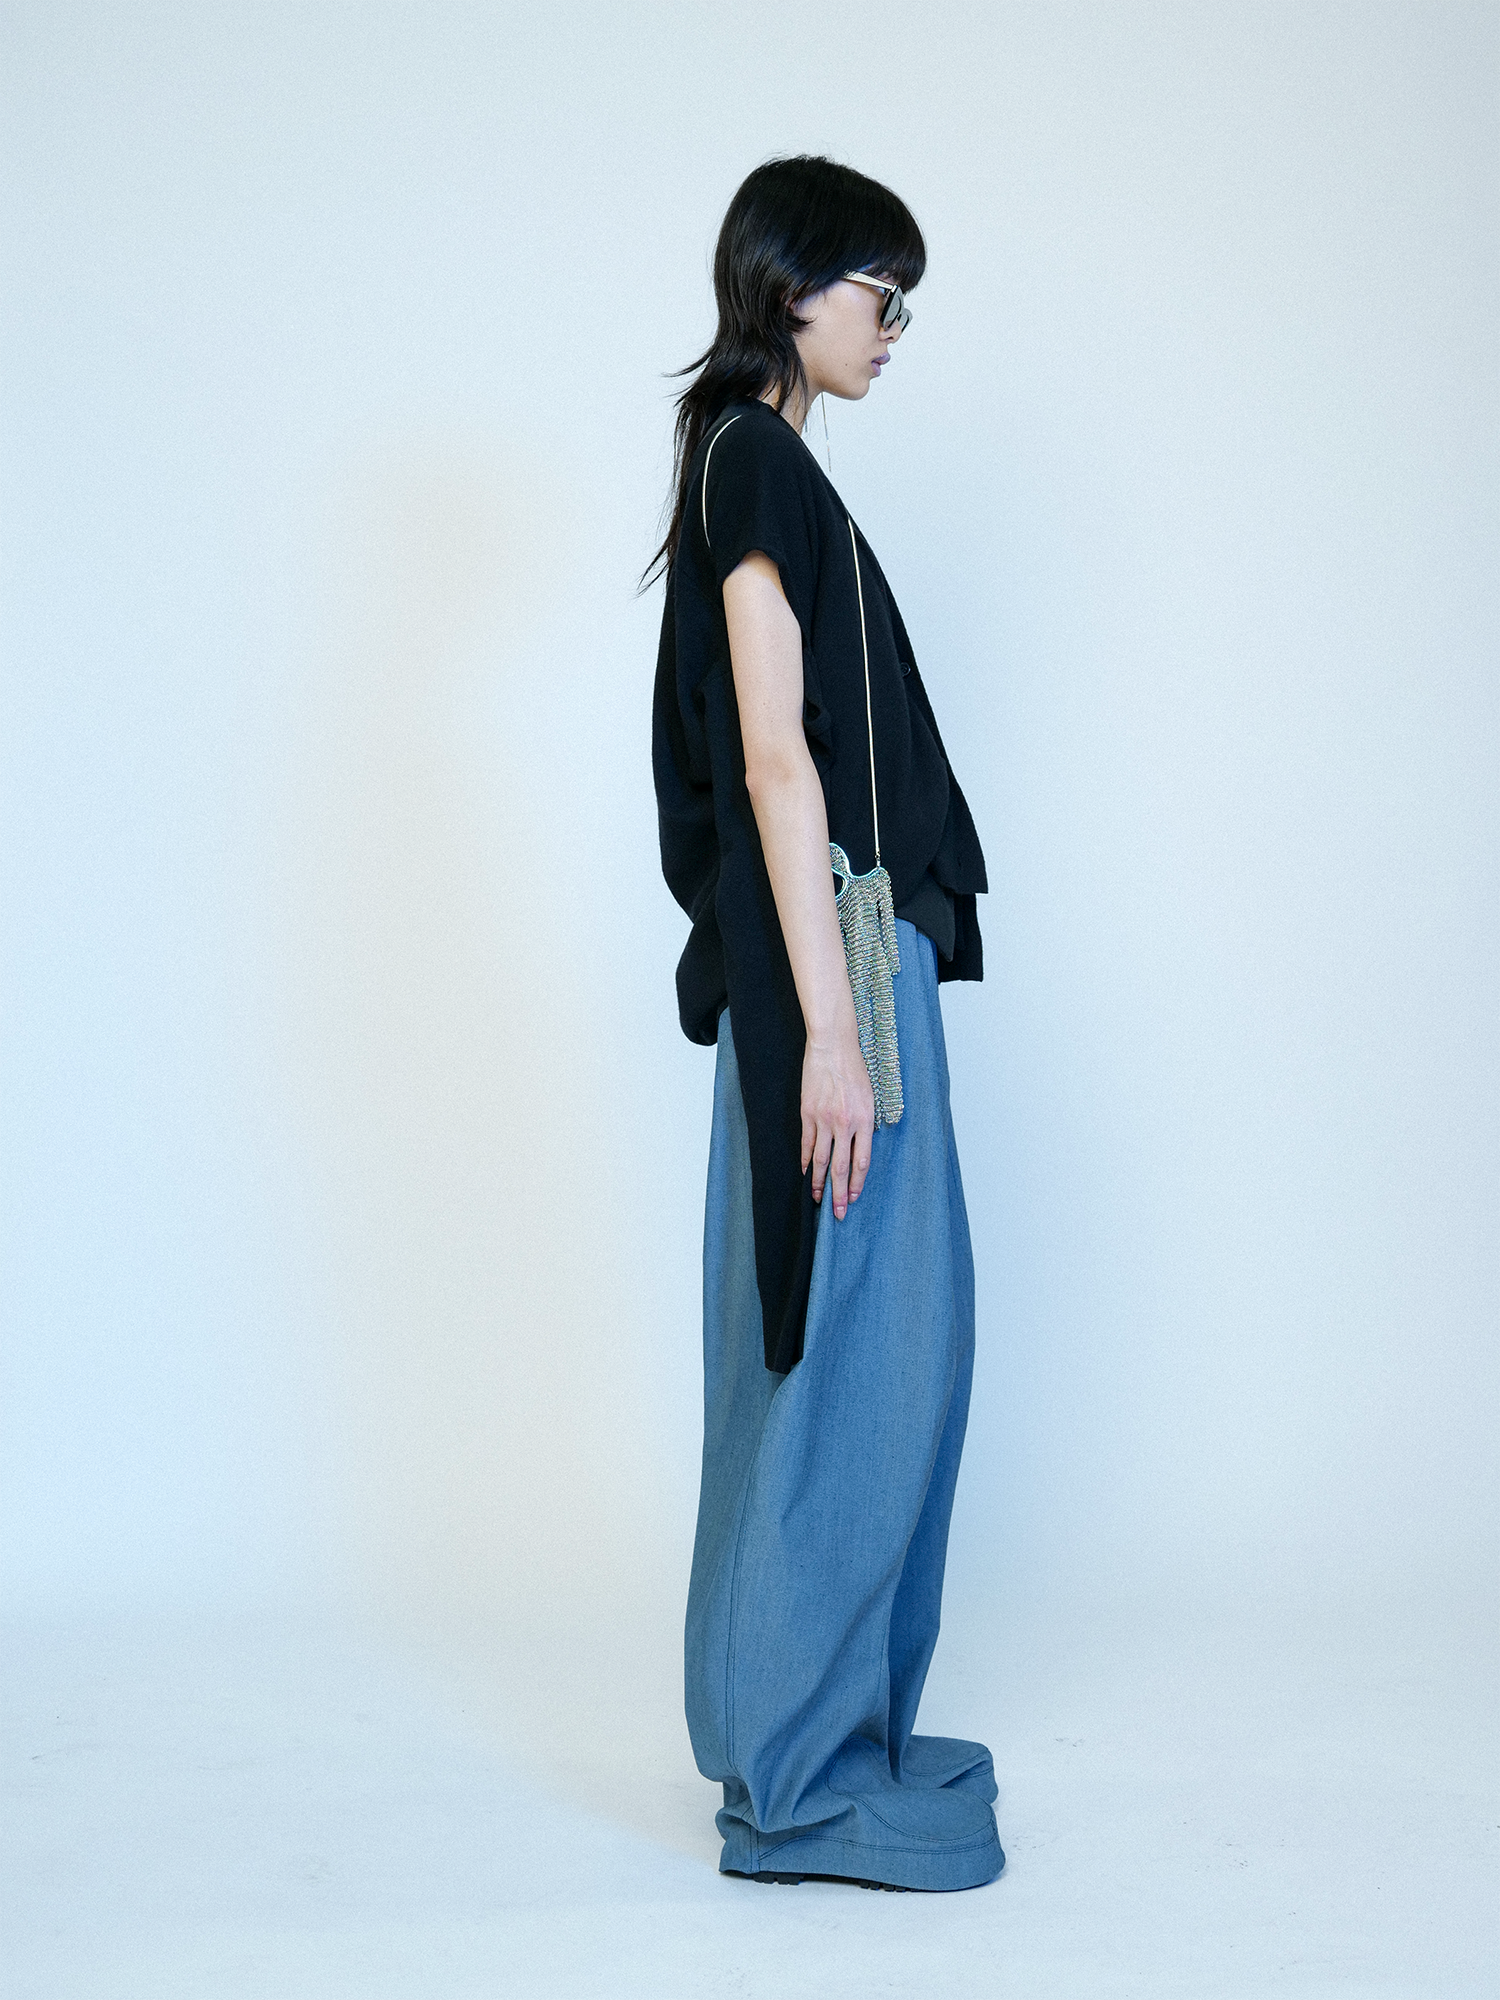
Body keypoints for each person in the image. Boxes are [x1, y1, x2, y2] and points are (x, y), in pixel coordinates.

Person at [650, 155, 1002, 1893]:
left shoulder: (751, 464)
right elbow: (776, 762)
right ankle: (796, 1785)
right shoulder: (754, 461)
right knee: (855, 1355)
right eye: (881, 292)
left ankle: (807, 1745)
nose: (895, 327)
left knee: (856, 1351)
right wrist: (839, 1033)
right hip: (838, 961)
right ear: (792, 287)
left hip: (839, 953)